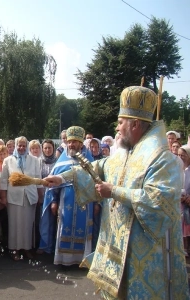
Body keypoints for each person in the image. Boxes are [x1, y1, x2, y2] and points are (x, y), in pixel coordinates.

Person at [44, 86, 189, 299]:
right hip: (119, 249)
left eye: (121, 122)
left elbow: (159, 203)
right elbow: (100, 167)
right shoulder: (124, 154)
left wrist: (114, 191)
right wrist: (62, 177)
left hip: (147, 254)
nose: (118, 128)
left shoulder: (162, 159)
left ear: (135, 124)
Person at [39, 127, 94, 263]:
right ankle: (64, 259)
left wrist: (98, 203)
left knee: (84, 229)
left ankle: (82, 260)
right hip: (66, 201)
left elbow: (96, 182)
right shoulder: (62, 161)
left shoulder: (90, 161)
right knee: (65, 227)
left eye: (75, 141)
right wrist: (53, 201)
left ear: (81, 143)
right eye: (69, 142)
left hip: (85, 203)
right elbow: (53, 184)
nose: (71, 144)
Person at [0, 136, 43, 261]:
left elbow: (38, 179)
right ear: (16, 146)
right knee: (14, 223)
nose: (22, 148)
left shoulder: (34, 160)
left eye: (24, 145)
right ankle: (14, 249)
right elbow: (3, 180)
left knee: (28, 223)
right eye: (19, 145)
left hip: (30, 196)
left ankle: (27, 248)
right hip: (14, 197)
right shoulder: (8, 160)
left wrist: (40, 195)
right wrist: (3, 197)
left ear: (27, 146)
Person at [178, 145, 190, 256]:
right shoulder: (176, 170)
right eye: (179, 155)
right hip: (179, 204)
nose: (181, 157)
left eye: (183, 155)